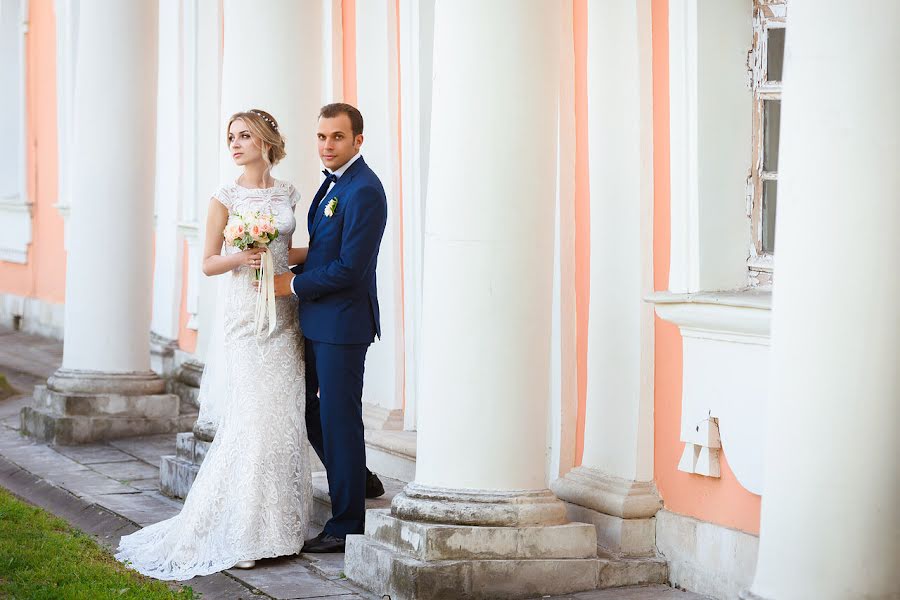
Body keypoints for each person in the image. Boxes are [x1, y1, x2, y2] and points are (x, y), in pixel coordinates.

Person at [115, 109, 310, 579]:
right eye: (231, 137)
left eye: (245, 136)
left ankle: (279, 531)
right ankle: (238, 532)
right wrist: (244, 254)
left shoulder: (288, 193)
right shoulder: (224, 196)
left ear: (265, 140)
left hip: (284, 315)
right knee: (250, 419)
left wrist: (320, 254)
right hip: (246, 316)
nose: (236, 144)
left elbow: (290, 250)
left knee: (282, 419)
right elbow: (206, 262)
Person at [272, 103, 387, 553]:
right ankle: (358, 479)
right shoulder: (330, 185)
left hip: (342, 324)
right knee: (304, 405)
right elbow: (326, 249)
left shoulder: (365, 190)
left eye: (336, 137)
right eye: (321, 137)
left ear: (358, 140)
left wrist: (292, 284)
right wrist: (287, 256)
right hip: (317, 320)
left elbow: (350, 270)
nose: (326, 146)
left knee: (340, 421)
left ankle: (346, 523)